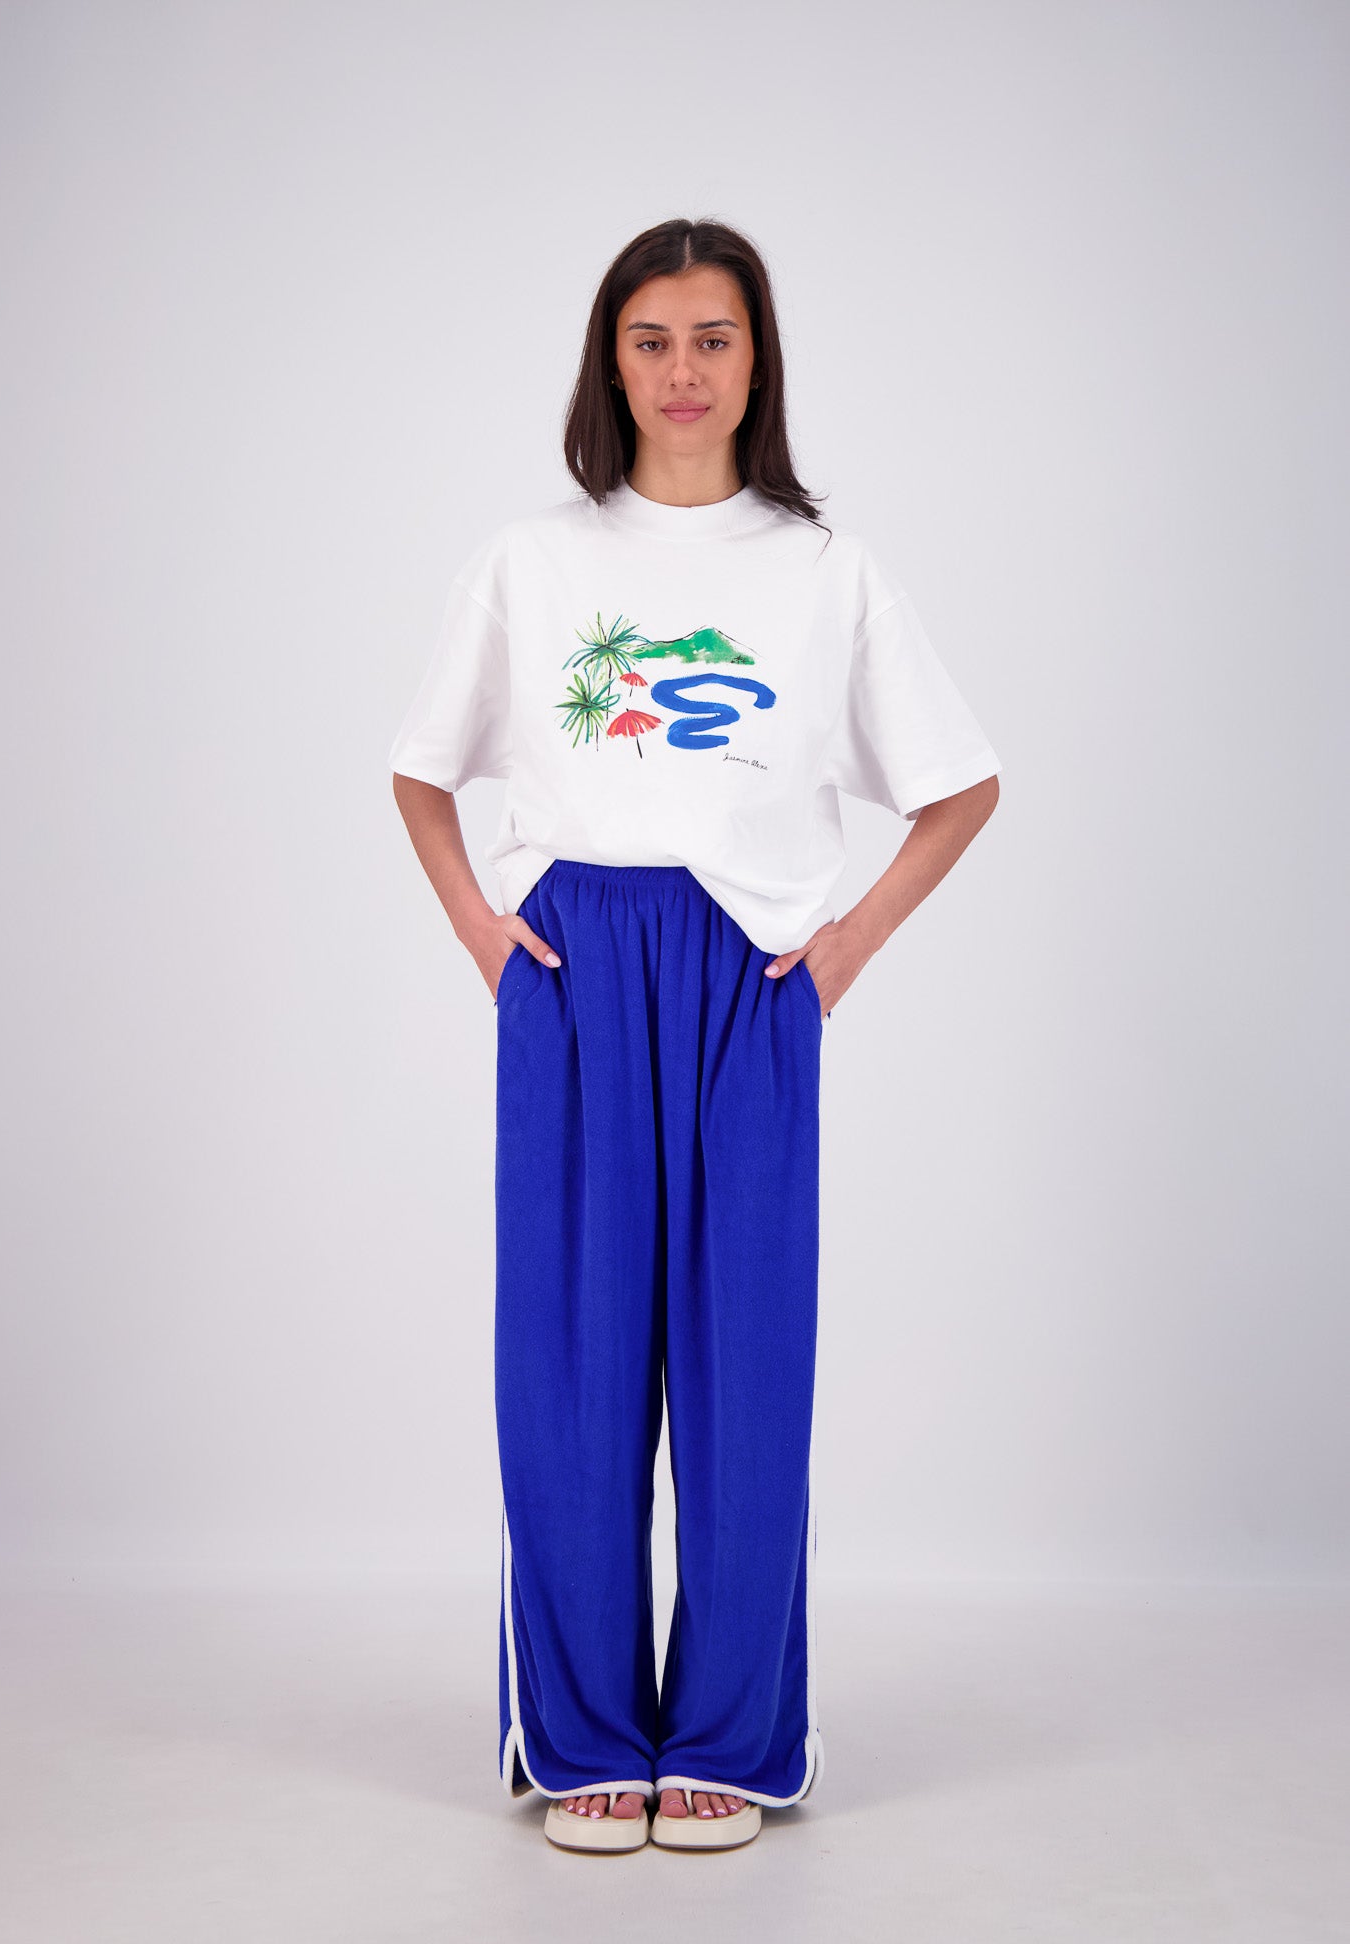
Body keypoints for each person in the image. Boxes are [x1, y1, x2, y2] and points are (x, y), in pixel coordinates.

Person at [389, 217, 1001, 1855]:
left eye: (711, 339)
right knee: (572, 1363)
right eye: (650, 339)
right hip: (575, 968)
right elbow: (421, 770)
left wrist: (841, 950)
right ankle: (587, 1732)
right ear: (611, 360)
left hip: (750, 977)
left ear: (756, 361)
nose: (681, 370)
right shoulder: (533, 560)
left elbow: (958, 785)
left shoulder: (822, 570)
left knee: (743, 1361)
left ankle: (726, 1732)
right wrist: (487, 939)